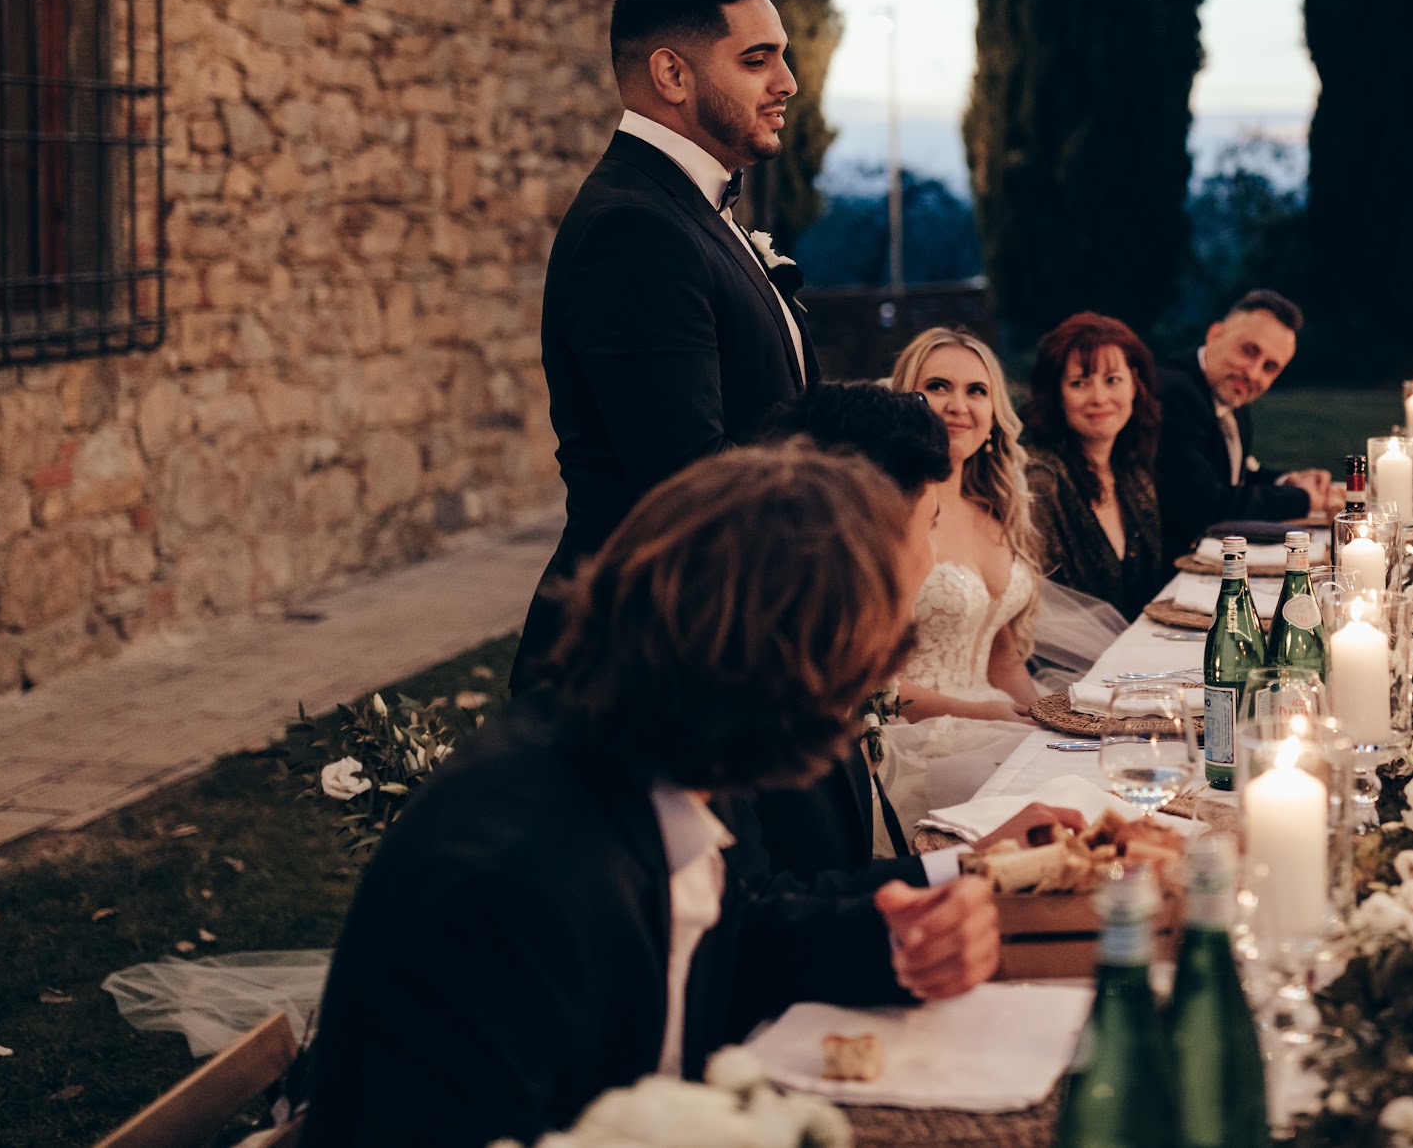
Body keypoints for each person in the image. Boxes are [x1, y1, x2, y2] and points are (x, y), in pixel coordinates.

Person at [301, 445, 997, 1148]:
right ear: (784, 670)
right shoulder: (508, 884)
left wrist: (896, 943)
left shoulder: (653, 750)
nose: (869, 691)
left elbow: (723, 940)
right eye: (859, 663)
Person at [513, 0, 817, 688]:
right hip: (652, 664)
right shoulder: (634, 228)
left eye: (783, 57)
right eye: (757, 60)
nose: (788, 83)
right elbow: (691, 485)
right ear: (672, 76)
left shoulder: (686, 208)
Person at [745, 385, 1082, 881]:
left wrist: (965, 863)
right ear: (868, 531)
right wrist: (967, 868)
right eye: (930, 525)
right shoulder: (759, 695)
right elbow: (768, 917)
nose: (931, 558)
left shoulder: (828, 665)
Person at [890, 329, 1044, 722]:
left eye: (976, 391)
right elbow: (870, 683)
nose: (958, 405)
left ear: (994, 414)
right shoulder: (891, 516)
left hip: (993, 712)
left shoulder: (997, 511)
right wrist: (980, 715)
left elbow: (1003, 661)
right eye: (938, 387)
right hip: (914, 735)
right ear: (904, 398)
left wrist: (1050, 723)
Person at [1153, 291, 1335, 563]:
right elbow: (1203, 504)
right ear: (1215, 334)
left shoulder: (1225, 392)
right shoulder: (1174, 393)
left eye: (1270, 367)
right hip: (1168, 567)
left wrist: (1288, 481)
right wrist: (1301, 499)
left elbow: (1232, 476)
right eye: (1249, 351)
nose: (1253, 373)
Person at [1026, 312, 1166, 621]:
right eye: (1079, 383)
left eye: (1112, 380)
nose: (1099, 398)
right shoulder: (1038, 481)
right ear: (1056, 395)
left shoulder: (1132, 473)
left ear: (1134, 384)